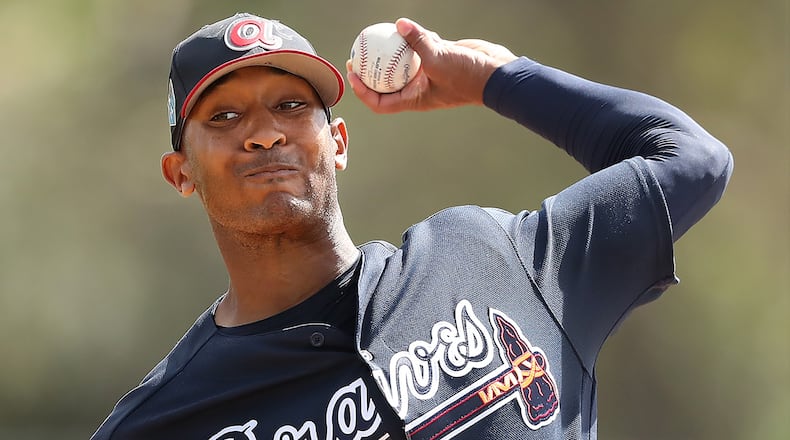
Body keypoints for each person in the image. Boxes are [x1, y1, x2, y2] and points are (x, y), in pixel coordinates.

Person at [91, 12, 732, 440]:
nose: (265, 133)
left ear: (337, 141)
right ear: (181, 173)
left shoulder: (494, 257)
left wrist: (500, 79)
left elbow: (691, 158)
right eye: (224, 118)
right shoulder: (166, 422)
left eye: (291, 105)